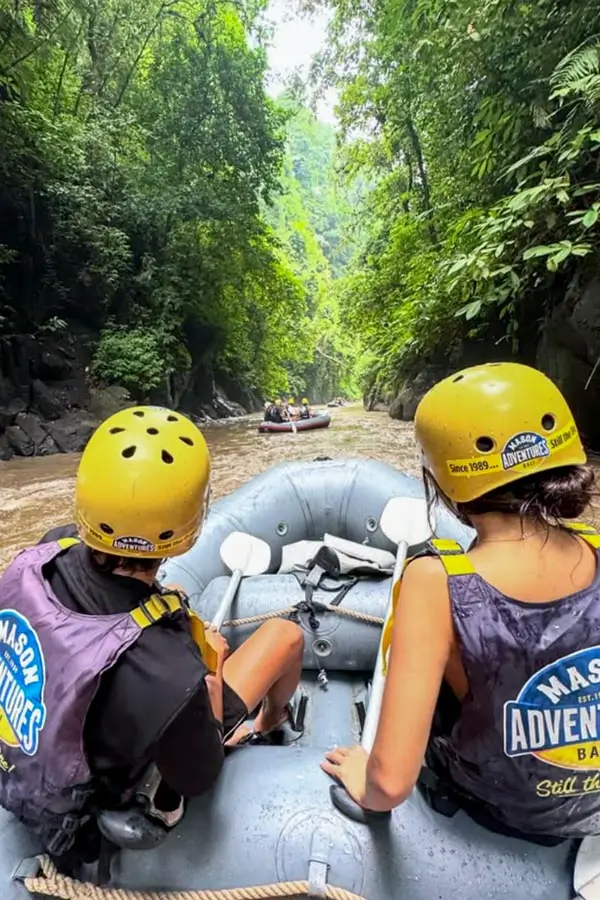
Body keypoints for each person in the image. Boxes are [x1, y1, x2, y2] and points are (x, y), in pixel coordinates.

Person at [0, 406, 303, 862]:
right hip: (87, 815)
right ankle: (270, 723)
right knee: (285, 636)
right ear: (191, 521)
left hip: (33, 752)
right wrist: (213, 677)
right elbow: (198, 777)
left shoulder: (46, 551)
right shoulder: (170, 672)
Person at [321, 362, 600, 841]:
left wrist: (364, 776)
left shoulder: (435, 580)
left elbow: (389, 785)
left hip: (499, 808)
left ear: (444, 482)